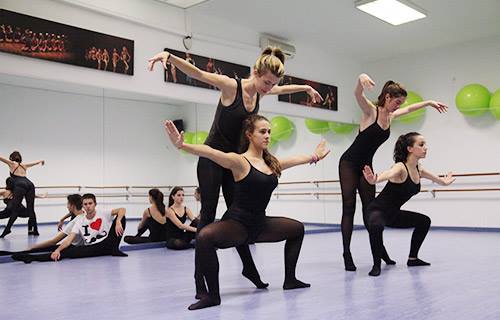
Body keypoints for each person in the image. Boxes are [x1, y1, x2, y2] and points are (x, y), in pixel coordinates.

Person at [149, 45, 323, 298]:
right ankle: (200, 282)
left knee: (237, 217)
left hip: (235, 163)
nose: (268, 88)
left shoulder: (263, 92)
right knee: (208, 215)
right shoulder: (233, 86)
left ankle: (249, 269)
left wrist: (304, 88)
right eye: (265, 82)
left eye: (271, 84)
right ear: (255, 72)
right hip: (212, 158)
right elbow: (199, 74)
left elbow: (282, 89)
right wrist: (170, 57)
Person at [165, 114, 330, 310]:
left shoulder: (272, 163)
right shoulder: (240, 161)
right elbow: (212, 153)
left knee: (297, 229)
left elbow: (295, 159)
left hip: (260, 224)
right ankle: (213, 296)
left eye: (269, 131)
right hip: (238, 224)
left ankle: (290, 279)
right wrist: (182, 146)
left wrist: (315, 157)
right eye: (262, 131)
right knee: (204, 237)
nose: (267, 135)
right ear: (249, 135)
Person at [339, 73, 448, 271]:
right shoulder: (370, 112)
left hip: (366, 165)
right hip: (348, 163)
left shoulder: (391, 116)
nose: (399, 106)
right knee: (349, 207)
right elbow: (358, 95)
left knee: (369, 209)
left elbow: (409, 108)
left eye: (401, 103)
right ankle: (347, 254)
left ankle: (380, 251)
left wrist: (429, 102)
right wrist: (360, 78)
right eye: (397, 101)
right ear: (387, 97)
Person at [363, 132, 455, 276]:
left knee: (424, 221)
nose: (426, 148)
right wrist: (375, 180)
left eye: (425, 144)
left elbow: (438, 180)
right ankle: (376, 265)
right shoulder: (400, 167)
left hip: (393, 213)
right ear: (410, 149)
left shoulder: (419, 169)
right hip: (376, 211)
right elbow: (388, 173)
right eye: (421, 144)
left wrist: (445, 182)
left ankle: (413, 258)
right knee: (376, 225)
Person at [12, 193, 127, 263]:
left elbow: (122, 209)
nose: (88, 206)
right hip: (92, 247)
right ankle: (30, 257)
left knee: (122, 218)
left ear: (95, 204)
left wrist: (117, 221)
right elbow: (68, 240)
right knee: (67, 252)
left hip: (107, 242)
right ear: (82, 206)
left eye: (90, 203)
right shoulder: (79, 220)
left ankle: (114, 249)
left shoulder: (103, 212)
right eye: (85, 204)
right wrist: (58, 250)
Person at [2, 194, 84, 257]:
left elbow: (53, 241)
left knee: (41, 250)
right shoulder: (85, 214)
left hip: (74, 247)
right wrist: (62, 219)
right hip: (80, 245)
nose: (67, 206)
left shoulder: (73, 222)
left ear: (72, 205)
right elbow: (72, 213)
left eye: (68, 204)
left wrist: (33, 247)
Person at [0, 151, 45, 237]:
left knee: (15, 209)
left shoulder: (12, 163)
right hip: (30, 184)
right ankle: (35, 230)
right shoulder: (24, 165)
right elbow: (34, 163)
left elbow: (1, 158)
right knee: (31, 209)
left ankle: (7, 229)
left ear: (11, 158)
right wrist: (40, 161)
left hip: (20, 184)